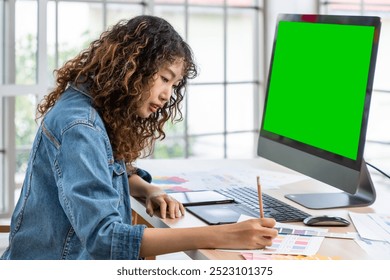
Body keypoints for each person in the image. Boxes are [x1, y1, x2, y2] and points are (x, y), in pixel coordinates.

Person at [1, 15, 277, 260]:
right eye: (165, 79)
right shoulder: (80, 127)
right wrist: (224, 235)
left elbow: (103, 170)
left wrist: (150, 190)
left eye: (174, 85)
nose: (168, 95)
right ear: (132, 68)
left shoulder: (89, 107)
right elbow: (105, 239)